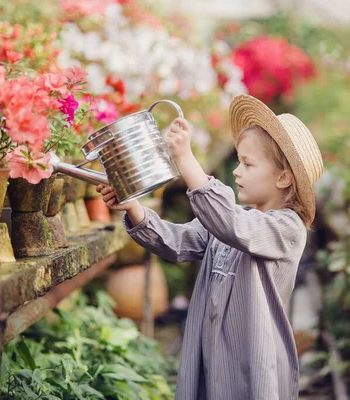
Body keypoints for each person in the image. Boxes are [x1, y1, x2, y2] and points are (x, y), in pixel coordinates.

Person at [97, 94, 323, 400]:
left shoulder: (287, 228)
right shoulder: (232, 220)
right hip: (210, 357)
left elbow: (230, 224)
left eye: (247, 163)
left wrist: (186, 160)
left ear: (283, 178)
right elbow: (177, 243)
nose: (236, 172)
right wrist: (134, 209)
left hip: (252, 365)